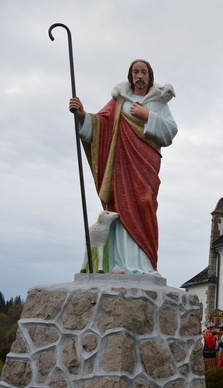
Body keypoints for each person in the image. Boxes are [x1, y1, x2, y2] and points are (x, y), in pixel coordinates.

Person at [68, 59, 178, 275]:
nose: (139, 75)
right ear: (130, 76)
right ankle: (119, 264)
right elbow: (99, 124)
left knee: (145, 202)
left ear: (149, 76)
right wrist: (81, 114)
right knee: (119, 209)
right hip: (121, 165)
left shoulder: (158, 102)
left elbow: (170, 132)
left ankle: (147, 264)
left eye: (143, 72)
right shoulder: (120, 101)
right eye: (136, 72)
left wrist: (148, 116)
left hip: (146, 163)